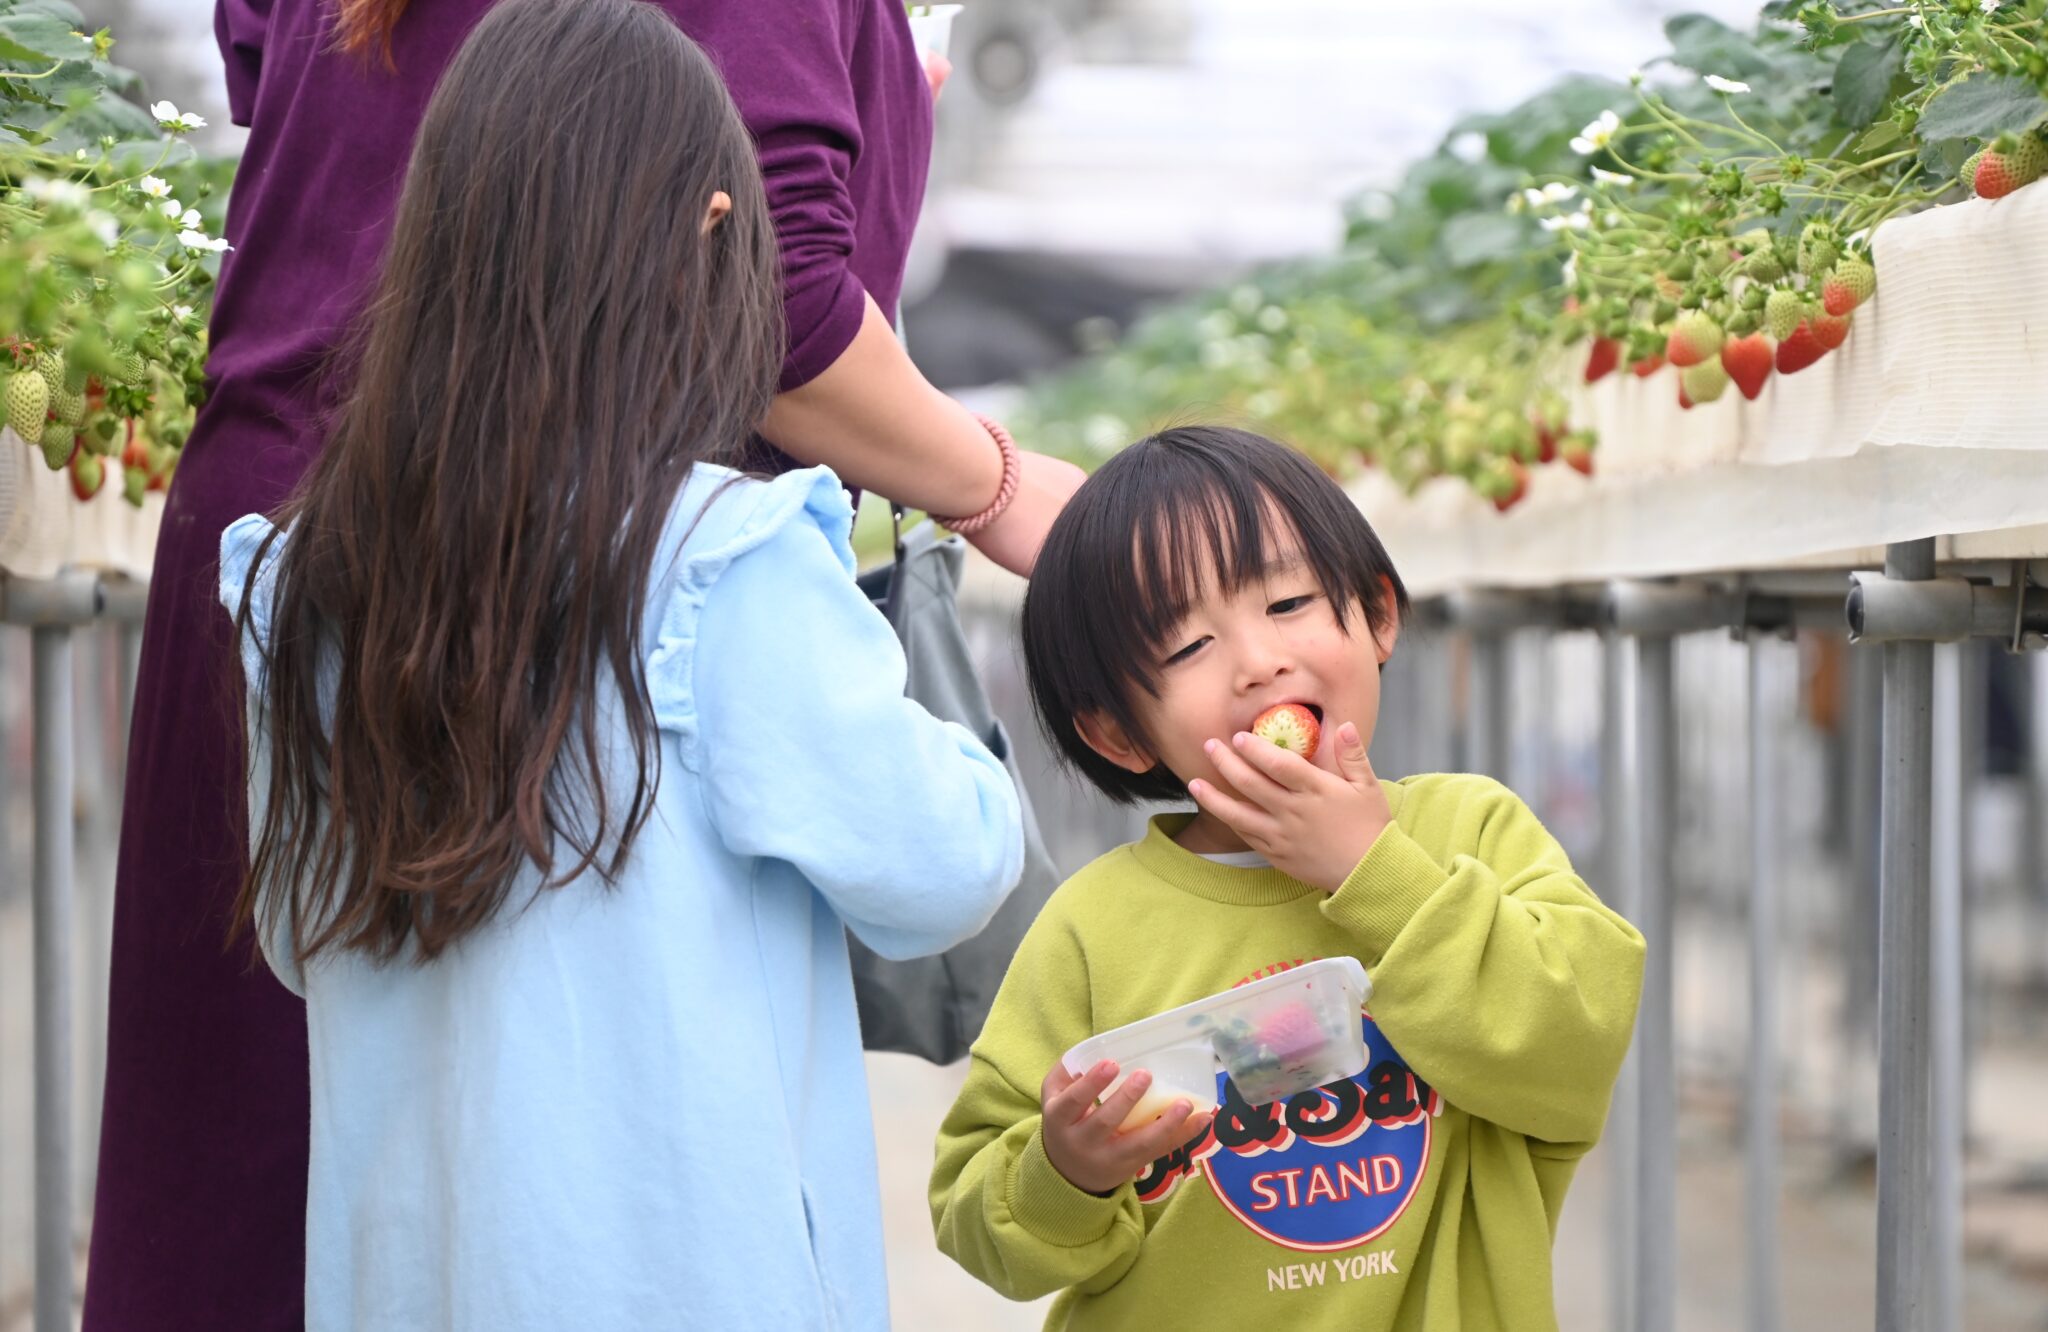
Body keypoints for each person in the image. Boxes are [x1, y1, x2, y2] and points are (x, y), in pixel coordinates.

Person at [87, 0, 1078, 1323]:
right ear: (709, 234)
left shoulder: (293, 600)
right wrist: (997, 518)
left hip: (318, 500)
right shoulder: (732, 564)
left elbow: (289, 930)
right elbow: (941, 867)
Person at [929, 425, 1645, 1330]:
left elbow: (1573, 1049)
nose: (1258, 660)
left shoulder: (1471, 832)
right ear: (1117, 731)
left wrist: (1374, 872)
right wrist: (1064, 1171)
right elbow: (972, 1213)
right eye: (1186, 647)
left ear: (1376, 613)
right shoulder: (1093, 927)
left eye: (1291, 601)